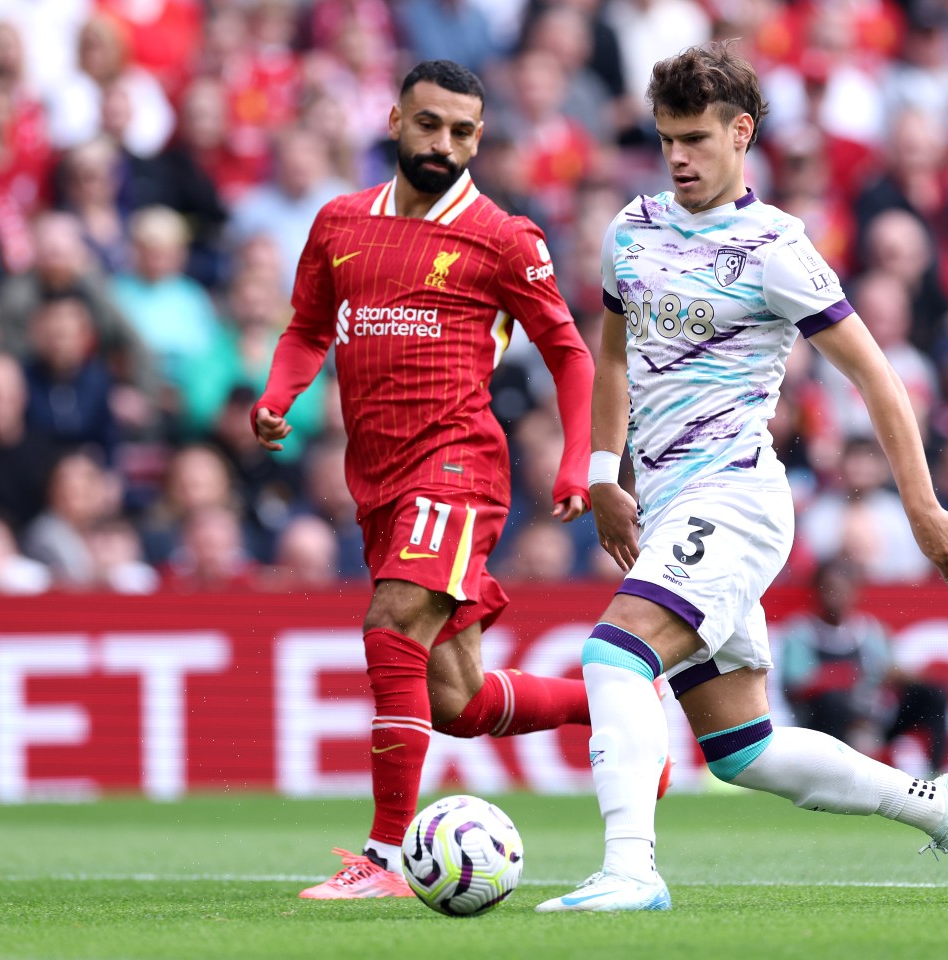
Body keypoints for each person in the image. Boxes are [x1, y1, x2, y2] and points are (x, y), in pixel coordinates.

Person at [536, 43, 948, 914]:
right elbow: (609, 357)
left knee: (614, 652)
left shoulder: (777, 248)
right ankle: (943, 807)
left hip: (737, 499)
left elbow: (876, 376)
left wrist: (923, 505)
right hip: (669, 502)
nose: (677, 157)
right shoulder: (630, 229)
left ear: (741, 133)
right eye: (666, 138)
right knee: (743, 748)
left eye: (697, 140)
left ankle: (631, 870)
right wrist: (604, 471)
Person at [253, 59, 629, 900]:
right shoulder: (339, 222)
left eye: (462, 132)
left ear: (480, 138)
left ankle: (384, 859)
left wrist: (578, 460)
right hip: (379, 483)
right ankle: (615, 713)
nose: (444, 144)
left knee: (390, 624)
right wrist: (279, 397)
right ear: (394, 120)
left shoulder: (503, 237)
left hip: (457, 465)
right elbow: (308, 328)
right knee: (453, 699)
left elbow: (571, 353)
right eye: (429, 125)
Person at [779, 557, 948, 774]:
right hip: (824, 724)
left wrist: (914, 677)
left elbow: (886, 671)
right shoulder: (802, 631)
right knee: (832, 701)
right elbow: (796, 683)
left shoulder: (868, 630)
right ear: (817, 590)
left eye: (842, 589)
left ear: (855, 592)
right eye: (829, 589)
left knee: (933, 694)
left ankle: (938, 774)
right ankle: (834, 773)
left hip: (870, 717)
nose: (835, 596)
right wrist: (842, 678)